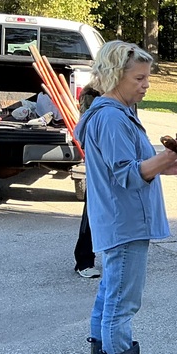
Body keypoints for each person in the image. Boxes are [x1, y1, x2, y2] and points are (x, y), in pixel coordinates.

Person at [74, 41, 177, 354]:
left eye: (147, 77)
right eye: (139, 78)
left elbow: (130, 164)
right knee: (121, 305)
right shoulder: (111, 117)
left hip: (116, 219)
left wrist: (165, 164)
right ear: (115, 76)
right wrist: (163, 158)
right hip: (125, 221)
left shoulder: (111, 112)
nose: (146, 84)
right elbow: (127, 173)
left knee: (109, 296)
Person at [73, 85, 102, 278]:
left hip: (106, 168)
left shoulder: (124, 100)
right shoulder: (95, 96)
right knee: (92, 213)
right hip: (99, 168)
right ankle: (84, 260)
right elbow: (82, 131)